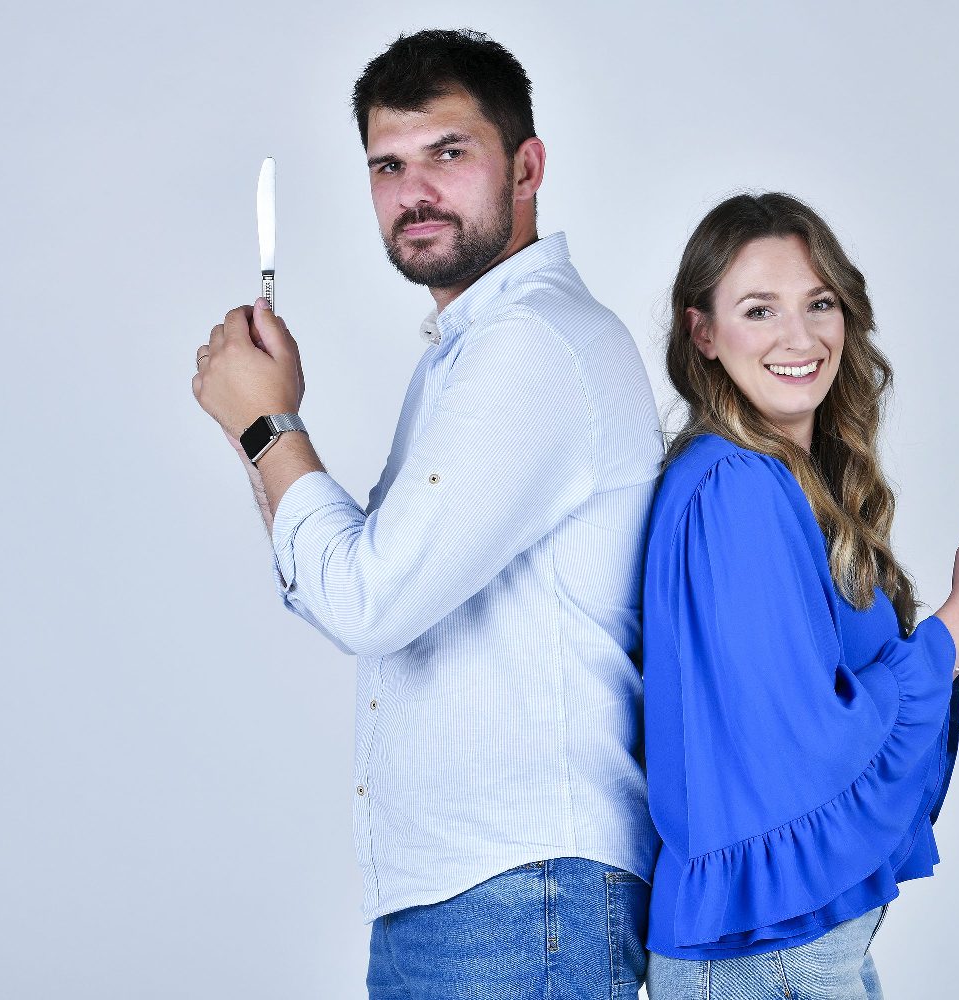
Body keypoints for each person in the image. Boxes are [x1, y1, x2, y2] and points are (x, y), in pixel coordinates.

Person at [190, 29, 661, 999]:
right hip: (462, 888)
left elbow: (368, 600)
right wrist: (265, 430)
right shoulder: (471, 350)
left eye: (449, 154)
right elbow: (347, 582)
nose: (414, 192)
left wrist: (268, 422)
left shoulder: (533, 347)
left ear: (526, 166)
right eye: (388, 166)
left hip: (522, 890)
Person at [640, 192, 959, 999]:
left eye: (818, 303)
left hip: (795, 944)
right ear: (704, 334)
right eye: (760, 310)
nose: (800, 338)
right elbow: (804, 750)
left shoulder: (790, 482)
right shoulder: (735, 487)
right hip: (769, 956)